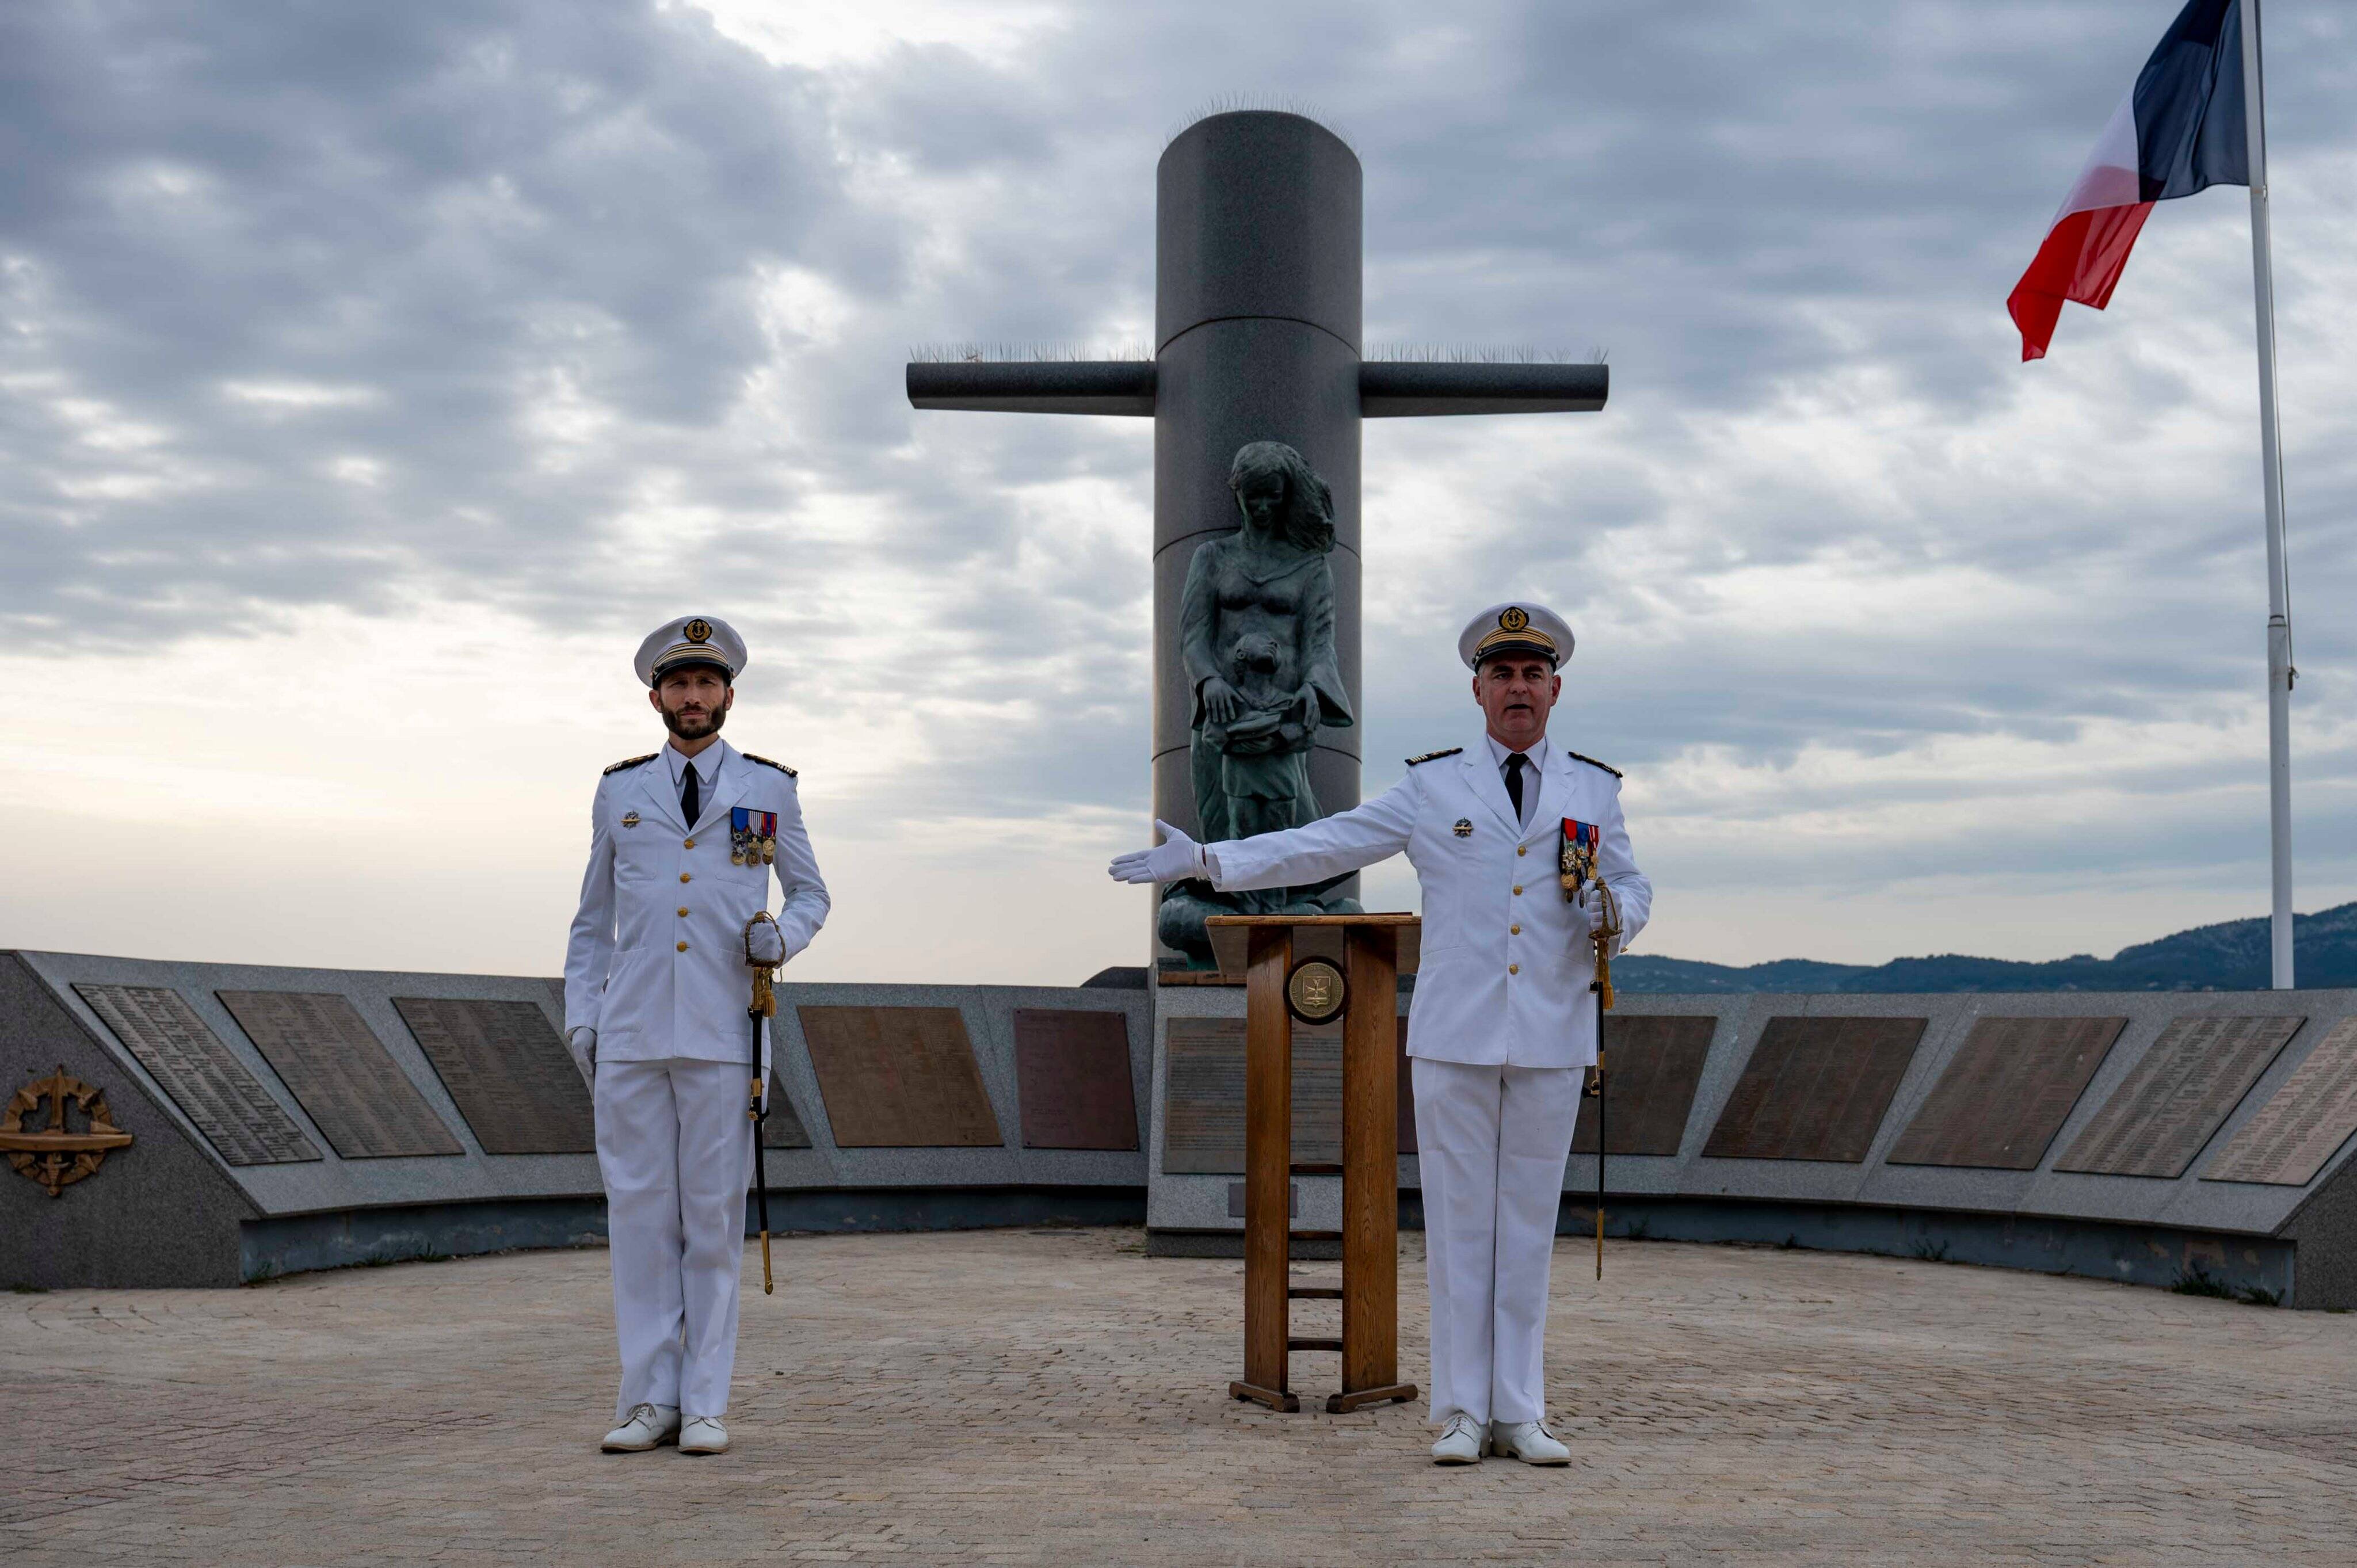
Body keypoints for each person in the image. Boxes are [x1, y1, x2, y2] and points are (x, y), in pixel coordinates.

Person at [1109, 602, 1650, 1467]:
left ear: (1555, 689)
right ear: (1478, 690)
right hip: (1454, 1036)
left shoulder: (1596, 789)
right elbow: (1327, 845)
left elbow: (1632, 890)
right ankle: (1463, 1410)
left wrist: (1611, 911)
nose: (1519, 688)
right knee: (1460, 1226)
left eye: (1533, 674)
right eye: (1503, 674)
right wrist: (1211, 861)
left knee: (1526, 1227)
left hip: (1550, 1035)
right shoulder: (1436, 786)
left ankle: (1522, 1409)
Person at [564, 614, 829, 1457]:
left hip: (723, 1031)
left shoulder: (769, 789)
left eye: (706, 683)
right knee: (640, 1220)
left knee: (711, 1221)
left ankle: (706, 1400)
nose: (693, 697)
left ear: (728, 695)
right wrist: (585, 1017)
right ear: (656, 696)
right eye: (678, 684)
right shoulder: (620, 791)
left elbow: (812, 895)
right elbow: (591, 921)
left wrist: (781, 939)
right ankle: (649, 1399)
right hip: (635, 1031)